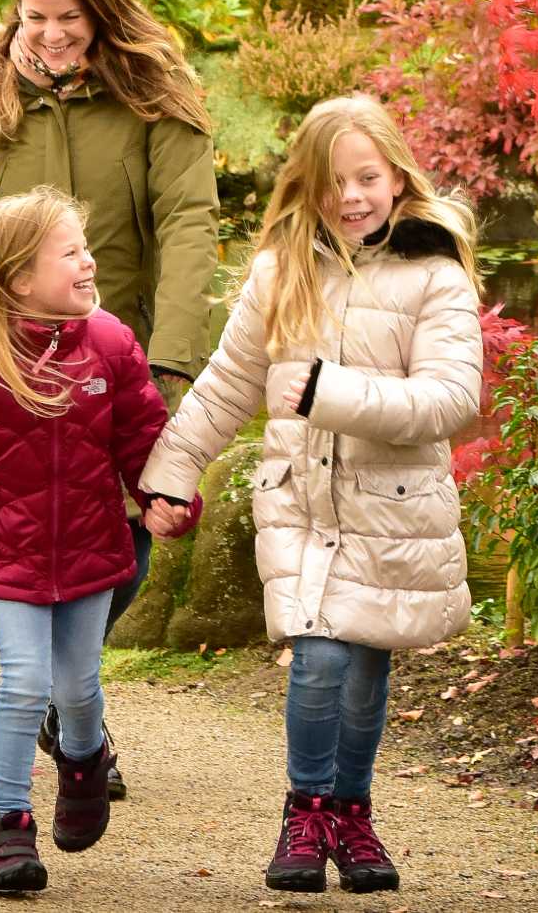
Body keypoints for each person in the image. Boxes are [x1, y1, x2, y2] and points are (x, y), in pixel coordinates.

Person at [0, 0, 218, 798]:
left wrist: (173, 358)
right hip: (7, 368)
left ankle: (70, 701)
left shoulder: (154, 96)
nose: (50, 35)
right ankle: (72, 714)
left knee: (126, 549)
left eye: (68, 17)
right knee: (36, 531)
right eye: (35, 17)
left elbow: (190, 223)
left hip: (123, 360)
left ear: (99, 14)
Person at [139, 95, 483, 896]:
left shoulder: (435, 272)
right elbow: (228, 386)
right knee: (319, 660)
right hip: (303, 503)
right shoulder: (279, 269)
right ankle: (305, 810)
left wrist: (328, 392)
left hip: (392, 508)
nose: (352, 196)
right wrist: (172, 468)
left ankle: (351, 811)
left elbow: (448, 400)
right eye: (333, 182)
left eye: (367, 177)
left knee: (365, 667)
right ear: (307, 186)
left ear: (397, 177)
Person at [0, 188, 197, 894]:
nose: (89, 262)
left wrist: (166, 498)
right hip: (5, 554)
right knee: (25, 682)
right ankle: (7, 828)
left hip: (90, 548)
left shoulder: (110, 342)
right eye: (71, 252)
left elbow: (144, 438)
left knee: (79, 687)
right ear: (21, 279)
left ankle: (83, 759)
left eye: (86, 248)